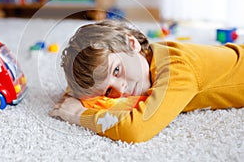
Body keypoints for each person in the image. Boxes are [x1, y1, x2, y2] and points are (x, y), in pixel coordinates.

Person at [50, 20, 244, 143]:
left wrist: (78, 114)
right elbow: (84, 91)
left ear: (132, 43)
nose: (122, 90)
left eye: (117, 71)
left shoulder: (177, 69)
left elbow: (136, 130)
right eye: (108, 92)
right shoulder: (146, 57)